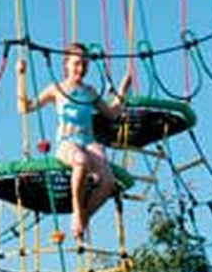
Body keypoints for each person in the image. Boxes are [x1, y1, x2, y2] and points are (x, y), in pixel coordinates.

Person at [16, 43, 131, 240]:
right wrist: (21, 76)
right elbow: (25, 107)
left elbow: (111, 114)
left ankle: (82, 219)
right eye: (77, 63)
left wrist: (122, 89)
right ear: (67, 65)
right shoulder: (57, 89)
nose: (81, 68)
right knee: (81, 161)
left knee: (109, 182)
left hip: (88, 141)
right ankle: (77, 213)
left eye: (84, 64)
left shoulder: (90, 91)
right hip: (67, 142)